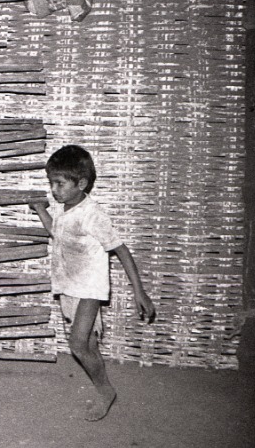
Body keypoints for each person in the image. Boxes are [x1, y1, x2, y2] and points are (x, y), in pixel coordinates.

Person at [28, 144, 156, 421]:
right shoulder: (65, 209)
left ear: (82, 183)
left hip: (89, 287)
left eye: (60, 183)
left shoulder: (92, 215)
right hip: (68, 286)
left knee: (77, 344)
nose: (54, 190)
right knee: (88, 344)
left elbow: (121, 250)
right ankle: (103, 385)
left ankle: (106, 392)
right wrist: (40, 210)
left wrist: (139, 292)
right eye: (51, 183)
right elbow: (57, 232)